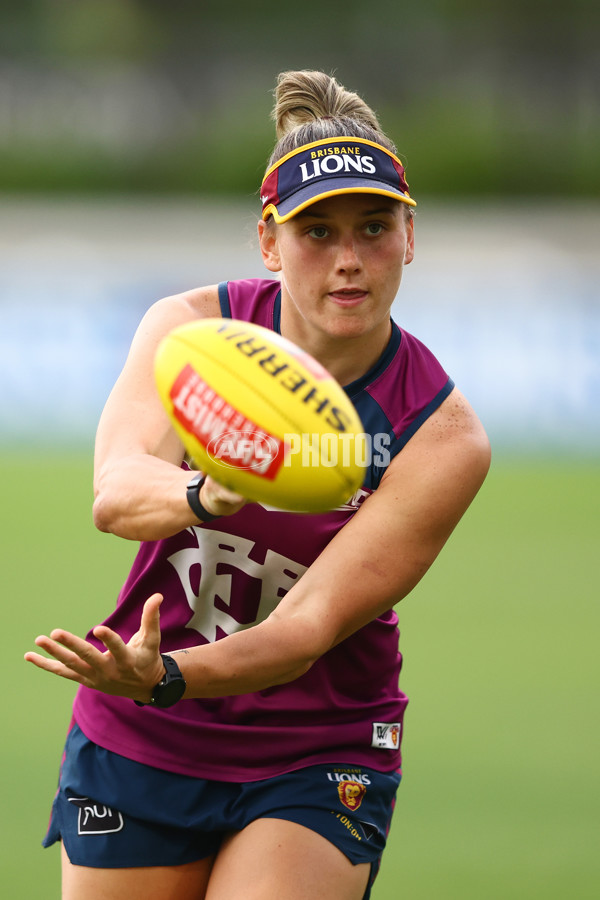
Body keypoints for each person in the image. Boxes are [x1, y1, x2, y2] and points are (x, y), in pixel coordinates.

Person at [25, 69, 491, 900]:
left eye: (374, 228)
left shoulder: (442, 434)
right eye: (317, 233)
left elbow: (307, 626)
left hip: (318, 744)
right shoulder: (194, 331)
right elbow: (116, 494)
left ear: (409, 236)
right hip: (142, 733)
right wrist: (214, 494)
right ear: (271, 244)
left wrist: (167, 673)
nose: (349, 261)